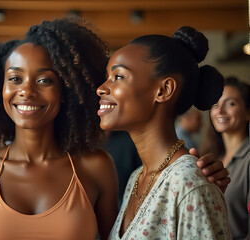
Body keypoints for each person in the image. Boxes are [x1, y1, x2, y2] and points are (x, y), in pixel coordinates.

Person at [0, 19, 230, 240]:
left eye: (118, 76)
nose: (26, 90)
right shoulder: (138, 179)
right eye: (15, 78)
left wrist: (196, 184)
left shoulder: (100, 168)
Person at [97, 26, 231, 239]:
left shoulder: (189, 183)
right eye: (107, 76)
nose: (101, 88)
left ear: (164, 90)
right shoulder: (136, 178)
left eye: (118, 76)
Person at [200, 76, 249, 239]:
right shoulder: (213, 158)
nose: (220, 111)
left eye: (231, 103)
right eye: (215, 104)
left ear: (248, 112)